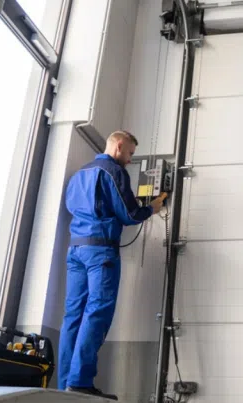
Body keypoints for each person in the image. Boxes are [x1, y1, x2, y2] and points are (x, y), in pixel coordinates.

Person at [58, 130, 167, 399]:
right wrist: (153, 207)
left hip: (75, 249)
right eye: (130, 153)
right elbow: (130, 214)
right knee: (97, 312)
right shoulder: (112, 172)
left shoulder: (79, 175)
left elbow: (73, 207)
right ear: (118, 146)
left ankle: (65, 386)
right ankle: (80, 382)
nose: (130, 160)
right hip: (100, 253)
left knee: (73, 315)